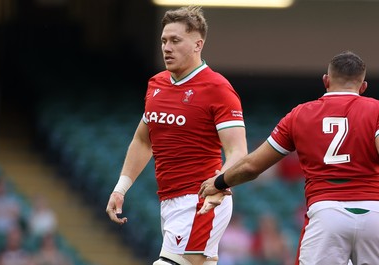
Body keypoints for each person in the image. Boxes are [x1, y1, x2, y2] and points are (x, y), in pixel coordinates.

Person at [198, 51, 379, 265]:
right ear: (363, 86)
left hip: (326, 213)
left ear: (326, 80)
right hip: (374, 213)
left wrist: (219, 182)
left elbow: (252, 166)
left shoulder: (299, 114)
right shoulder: (376, 110)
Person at [105, 5, 247, 265]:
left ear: (197, 44)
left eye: (175, 40)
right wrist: (120, 189)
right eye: (163, 40)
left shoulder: (218, 88)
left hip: (201, 201)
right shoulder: (156, 84)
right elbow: (143, 140)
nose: (166, 47)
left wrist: (220, 184)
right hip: (168, 202)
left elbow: (238, 152)